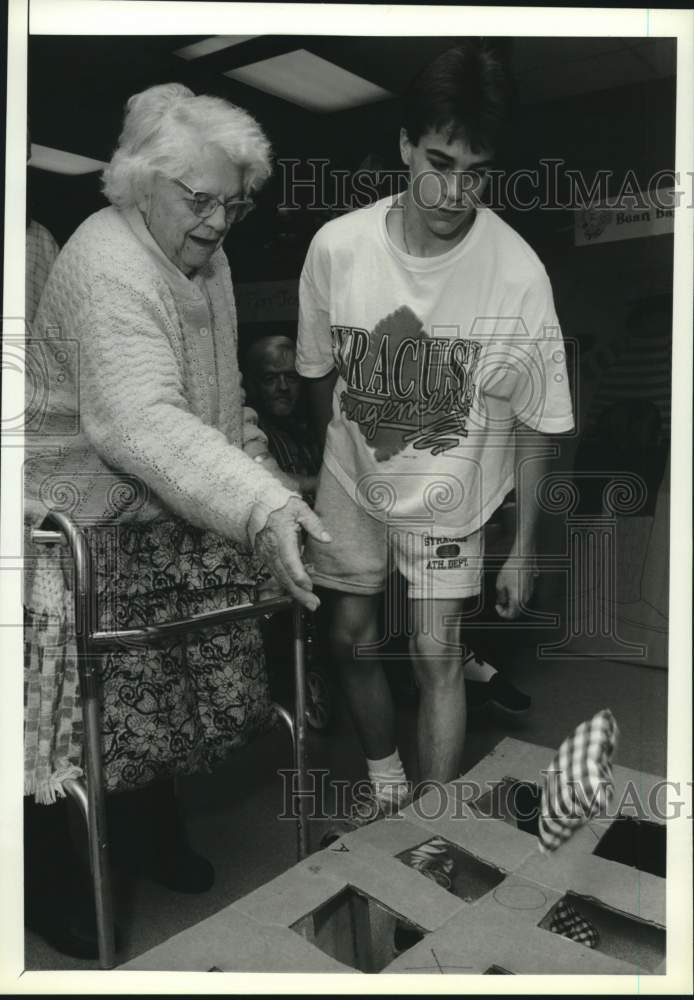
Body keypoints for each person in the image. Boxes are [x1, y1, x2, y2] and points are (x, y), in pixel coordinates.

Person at [23, 83, 328, 957]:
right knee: (78, 735)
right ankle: (54, 885)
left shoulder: (209, 258)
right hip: (77, 527)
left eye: (234, 202)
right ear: (136, 181)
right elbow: (139, 420)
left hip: (161, 517)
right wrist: (260, 502)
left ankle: (151, 835)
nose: (219, 221)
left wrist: (265, 481)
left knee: (157, 714)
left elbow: (221, 398)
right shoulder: (103, 260)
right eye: (200, 199)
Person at [296, 42, 574, 869]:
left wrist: (523, 548)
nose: (455, 193)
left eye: (478, 173)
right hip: (354, 468)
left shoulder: (517, 275)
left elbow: (536, 419)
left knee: (434, 651)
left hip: (455, 489)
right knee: (347, 635)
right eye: (440, 162)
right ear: (405, 147)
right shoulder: (337, 249)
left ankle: (435, 833)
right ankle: (389, 791)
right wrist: (334, 467)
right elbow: (317, 376)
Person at [243, 334, 322, 501]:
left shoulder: (312, 428)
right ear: (253, 384)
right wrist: (315, 484)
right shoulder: (247, 430)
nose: (284, 387)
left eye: (291, 377)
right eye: (270, 379)